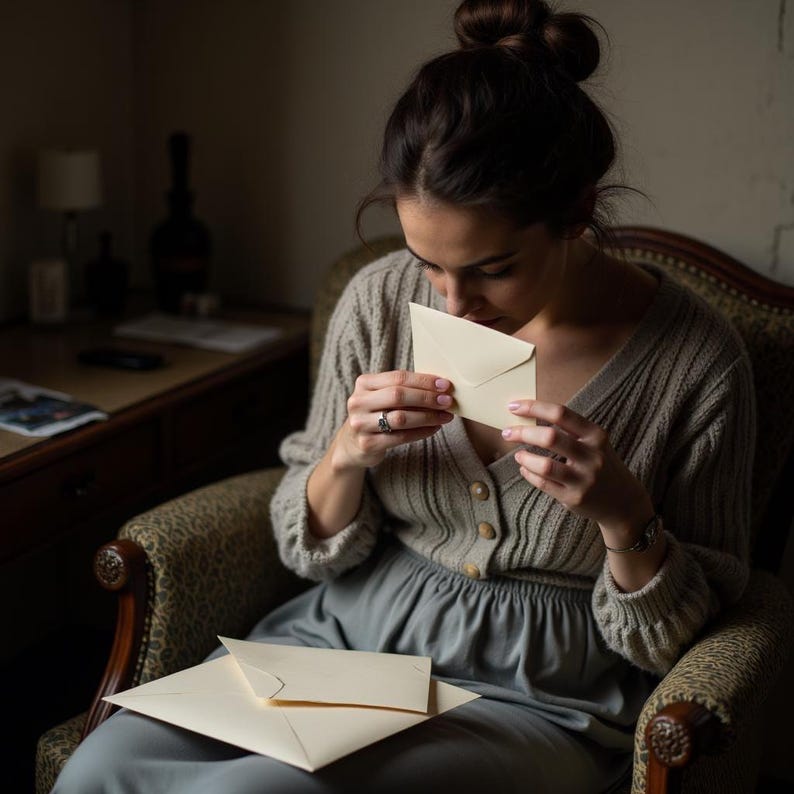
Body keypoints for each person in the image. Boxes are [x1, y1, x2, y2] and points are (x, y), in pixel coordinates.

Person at [55, 1, 754, 792]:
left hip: (537, 696)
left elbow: (689, 634)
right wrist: (346, 455)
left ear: (578, 212)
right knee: (99, 767)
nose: (454, 303)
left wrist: (625, 517)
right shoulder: (378, 299)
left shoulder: (696, 362)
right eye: (428, 262)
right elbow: (305, 547)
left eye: (493, 269)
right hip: (346, 642)